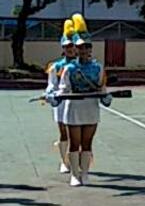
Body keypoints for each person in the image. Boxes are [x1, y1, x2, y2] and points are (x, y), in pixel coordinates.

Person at [56, 15, 108, 187]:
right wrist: (56, 95)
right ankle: (74, 174)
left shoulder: (98, 67)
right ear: (75, 50)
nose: (83, 50)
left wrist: (105, 96)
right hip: (74, 108)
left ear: (90, 48)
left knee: (87, 143)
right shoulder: (69, 68)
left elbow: (101, 87)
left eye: (86, 47)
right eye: (79, 48)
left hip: (91, 108)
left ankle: (85, 173)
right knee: (74, 143)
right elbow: (63, 88)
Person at [43, 20, 78, 175]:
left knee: (77, 134)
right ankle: (64, 161)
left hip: (78, 103)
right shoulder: (55, 66)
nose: (70, 49)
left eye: (72, 46)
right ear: (63, 48)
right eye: (67, 46)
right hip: (62, 103)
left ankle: (77, 161)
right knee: (64, 133)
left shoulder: (82, 64)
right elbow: (51, 84)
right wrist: (51, 94)